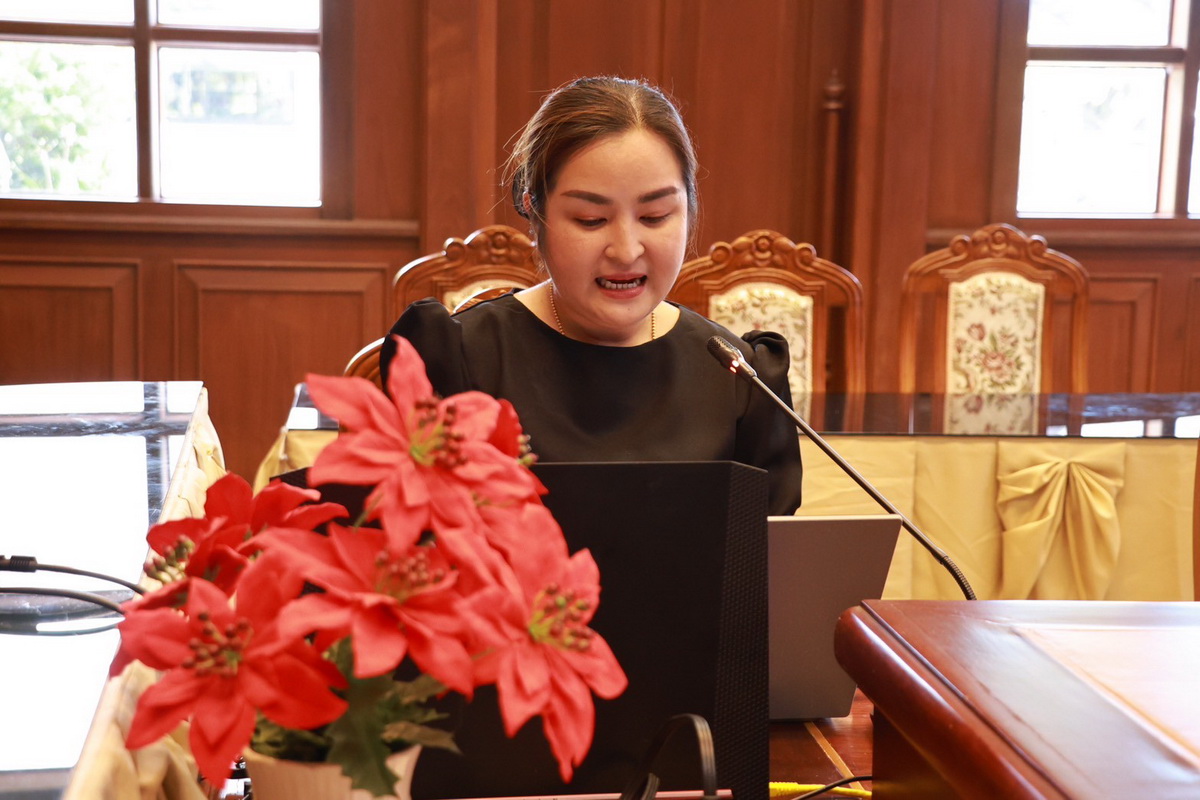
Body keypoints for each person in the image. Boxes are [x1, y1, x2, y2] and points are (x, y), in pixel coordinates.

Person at [381, 75, 802, 514]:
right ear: (534, 210)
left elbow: (768, 549)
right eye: (590, 220)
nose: (626, 251)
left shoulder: (740, 376)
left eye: (655, 216)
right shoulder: (458, 357)